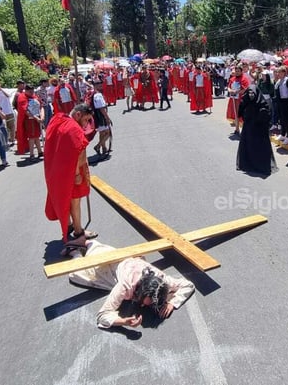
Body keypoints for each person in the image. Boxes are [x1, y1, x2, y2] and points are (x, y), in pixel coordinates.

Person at [68, 240, 196, 329]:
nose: (151, 305)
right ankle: (76, 252)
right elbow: (102, 315)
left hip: (132, 262)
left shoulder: (163, 281)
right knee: (77, 275)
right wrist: (122, 322)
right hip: (111, 268)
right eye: (149, 301)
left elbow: (188, 285)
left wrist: (172, 303)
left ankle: (88, 244)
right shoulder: (125, 286)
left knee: (98, 249)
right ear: (139, 292)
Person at [43, 103, 98, 251]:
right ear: (78, 114)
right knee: (74, 201)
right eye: (86, 120)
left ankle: (69, 226)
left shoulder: (58, 119)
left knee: (65, 199)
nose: (86, 124)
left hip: (58, 171)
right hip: (71, 172)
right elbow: (79, 152)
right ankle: (79, 231)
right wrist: (77, 174)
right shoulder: (74, 129)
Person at [236, 84, 275, 176]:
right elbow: (240, 111)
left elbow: (267, 115)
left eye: (252, 93)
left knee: (259, 148)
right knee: (248, 146)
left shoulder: (263, 103)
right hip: (248, 129)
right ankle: (248, 164)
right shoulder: (246, 100)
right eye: (249, 93)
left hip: (259, 131)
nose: (251, 95)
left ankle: (259, 165)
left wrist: (261, 115)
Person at [91, 82, 112, 157]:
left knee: (102, 133)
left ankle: (104, 148)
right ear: (95, 86)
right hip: (100, 115)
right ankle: (98, 146)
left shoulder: (93, 94)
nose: (101, 86)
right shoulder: (98, 95)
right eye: (99, 85)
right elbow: (101, 108)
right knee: (107, 133)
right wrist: (107, 118)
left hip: (97, 115)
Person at [274, 67, 288, 143]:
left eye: (280, 72)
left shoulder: (287, 81)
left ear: (284, 73)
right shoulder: (279, 81)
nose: (278, 74)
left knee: (287, 119)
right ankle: (283, 134)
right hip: (280, 102)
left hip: (287, 102)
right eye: (277, 72)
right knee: (281, 119)